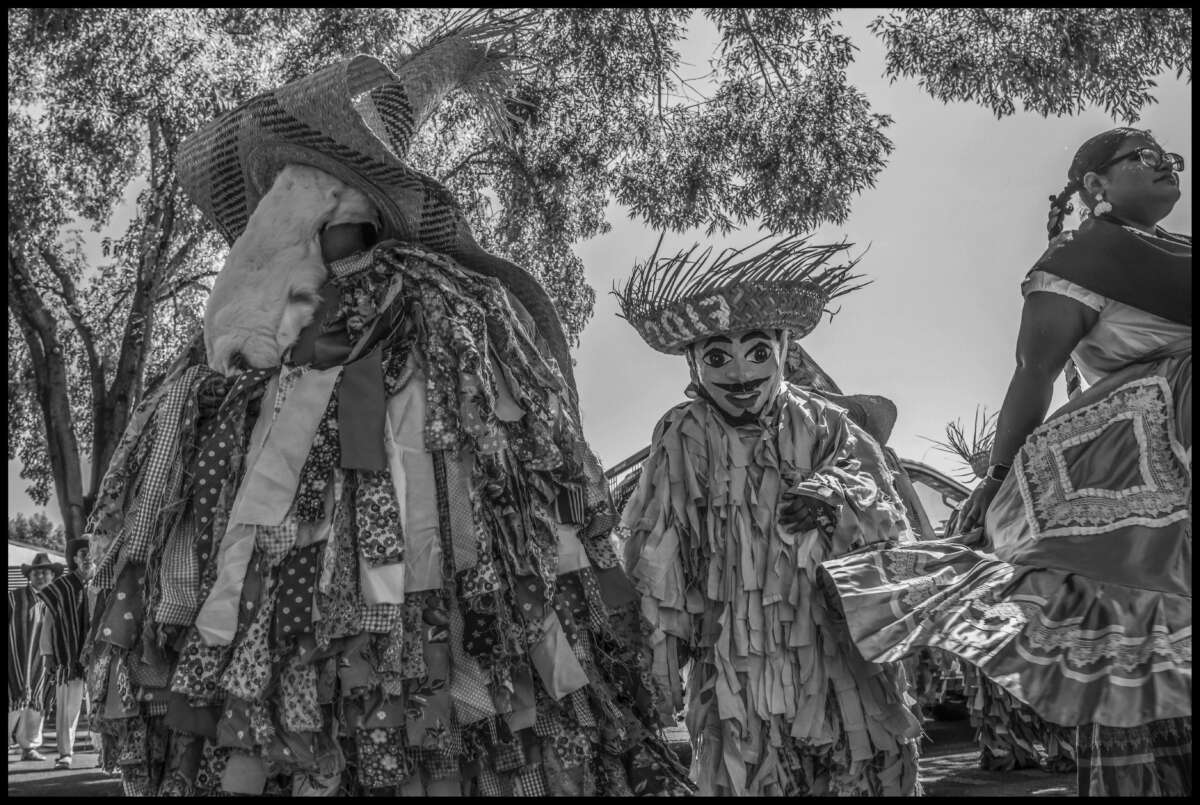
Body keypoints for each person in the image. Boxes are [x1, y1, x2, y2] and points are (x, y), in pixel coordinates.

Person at [79, 31, 691, 797]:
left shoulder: (445, 319)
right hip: (299, 544)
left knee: (446, 597)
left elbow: (523, 434)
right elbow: (239, 326)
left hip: (430, 555)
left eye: (338, 230)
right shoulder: (249, 358)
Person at [819, 127, 1190, 796]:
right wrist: (996, 478)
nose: (1164, 163)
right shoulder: (1078, 257)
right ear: (1095, 186)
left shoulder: (1182, 251)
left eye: (1170, 156)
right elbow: (1034, 371)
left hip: (1177, 474)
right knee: (1133, 637)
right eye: (1143, 155)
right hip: (1129, 468)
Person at [614, 235, 923, 796]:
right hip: (735, 653)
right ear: (693, 361)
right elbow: (658, 544)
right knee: (752, 768)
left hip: (833, 646)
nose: (740, 372)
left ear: (783, 347)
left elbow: (880, 499)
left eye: (758, 352)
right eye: (717, 357)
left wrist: (831, 495)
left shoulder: (825, 423)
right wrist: (661, 651)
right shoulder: (681, 434)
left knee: (858, 764)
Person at [37, 538, 96, 770]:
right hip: (67, 657)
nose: (88, 556)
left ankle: (103, 751)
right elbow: (48, 622)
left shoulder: (104, 581)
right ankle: (65, 754)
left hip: (97, 657)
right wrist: (47, 653)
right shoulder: (60, 587)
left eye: (92, 552)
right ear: (74, 559)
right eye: (83, 553)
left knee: (98, 705)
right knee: (67, 707)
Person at [8, 552, 62, 761]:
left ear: (52, 576)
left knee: (37, 705)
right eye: (37, 573)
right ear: (29, 576)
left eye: (45, 572)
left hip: (44, 660)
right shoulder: (14, 597)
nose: (41, 576)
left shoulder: (57, 600)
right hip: (15, 659)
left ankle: (29, 747)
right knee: (13, 703)